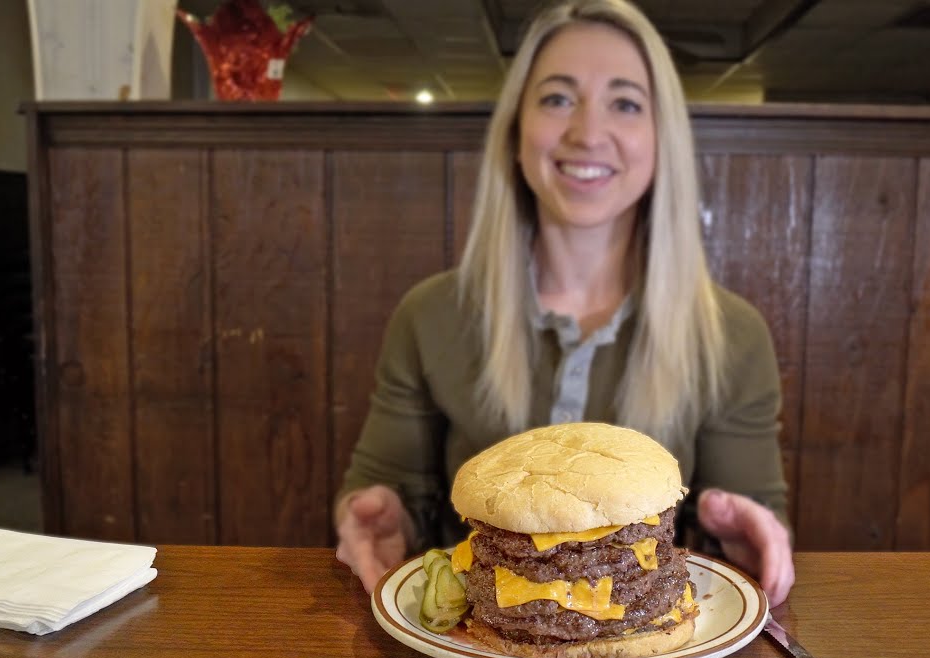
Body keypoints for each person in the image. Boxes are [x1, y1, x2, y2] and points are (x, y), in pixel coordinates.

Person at [334, 0, 795, 606]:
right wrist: (381, 516)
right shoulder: (431, 314)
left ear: (663, 139)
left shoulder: (731, 334)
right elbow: (389, 489)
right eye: (557, 98)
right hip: (469, 651)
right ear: (515, 131)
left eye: (625, 103)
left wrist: (743, 536)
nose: (587, 132)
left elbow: (751, 520)